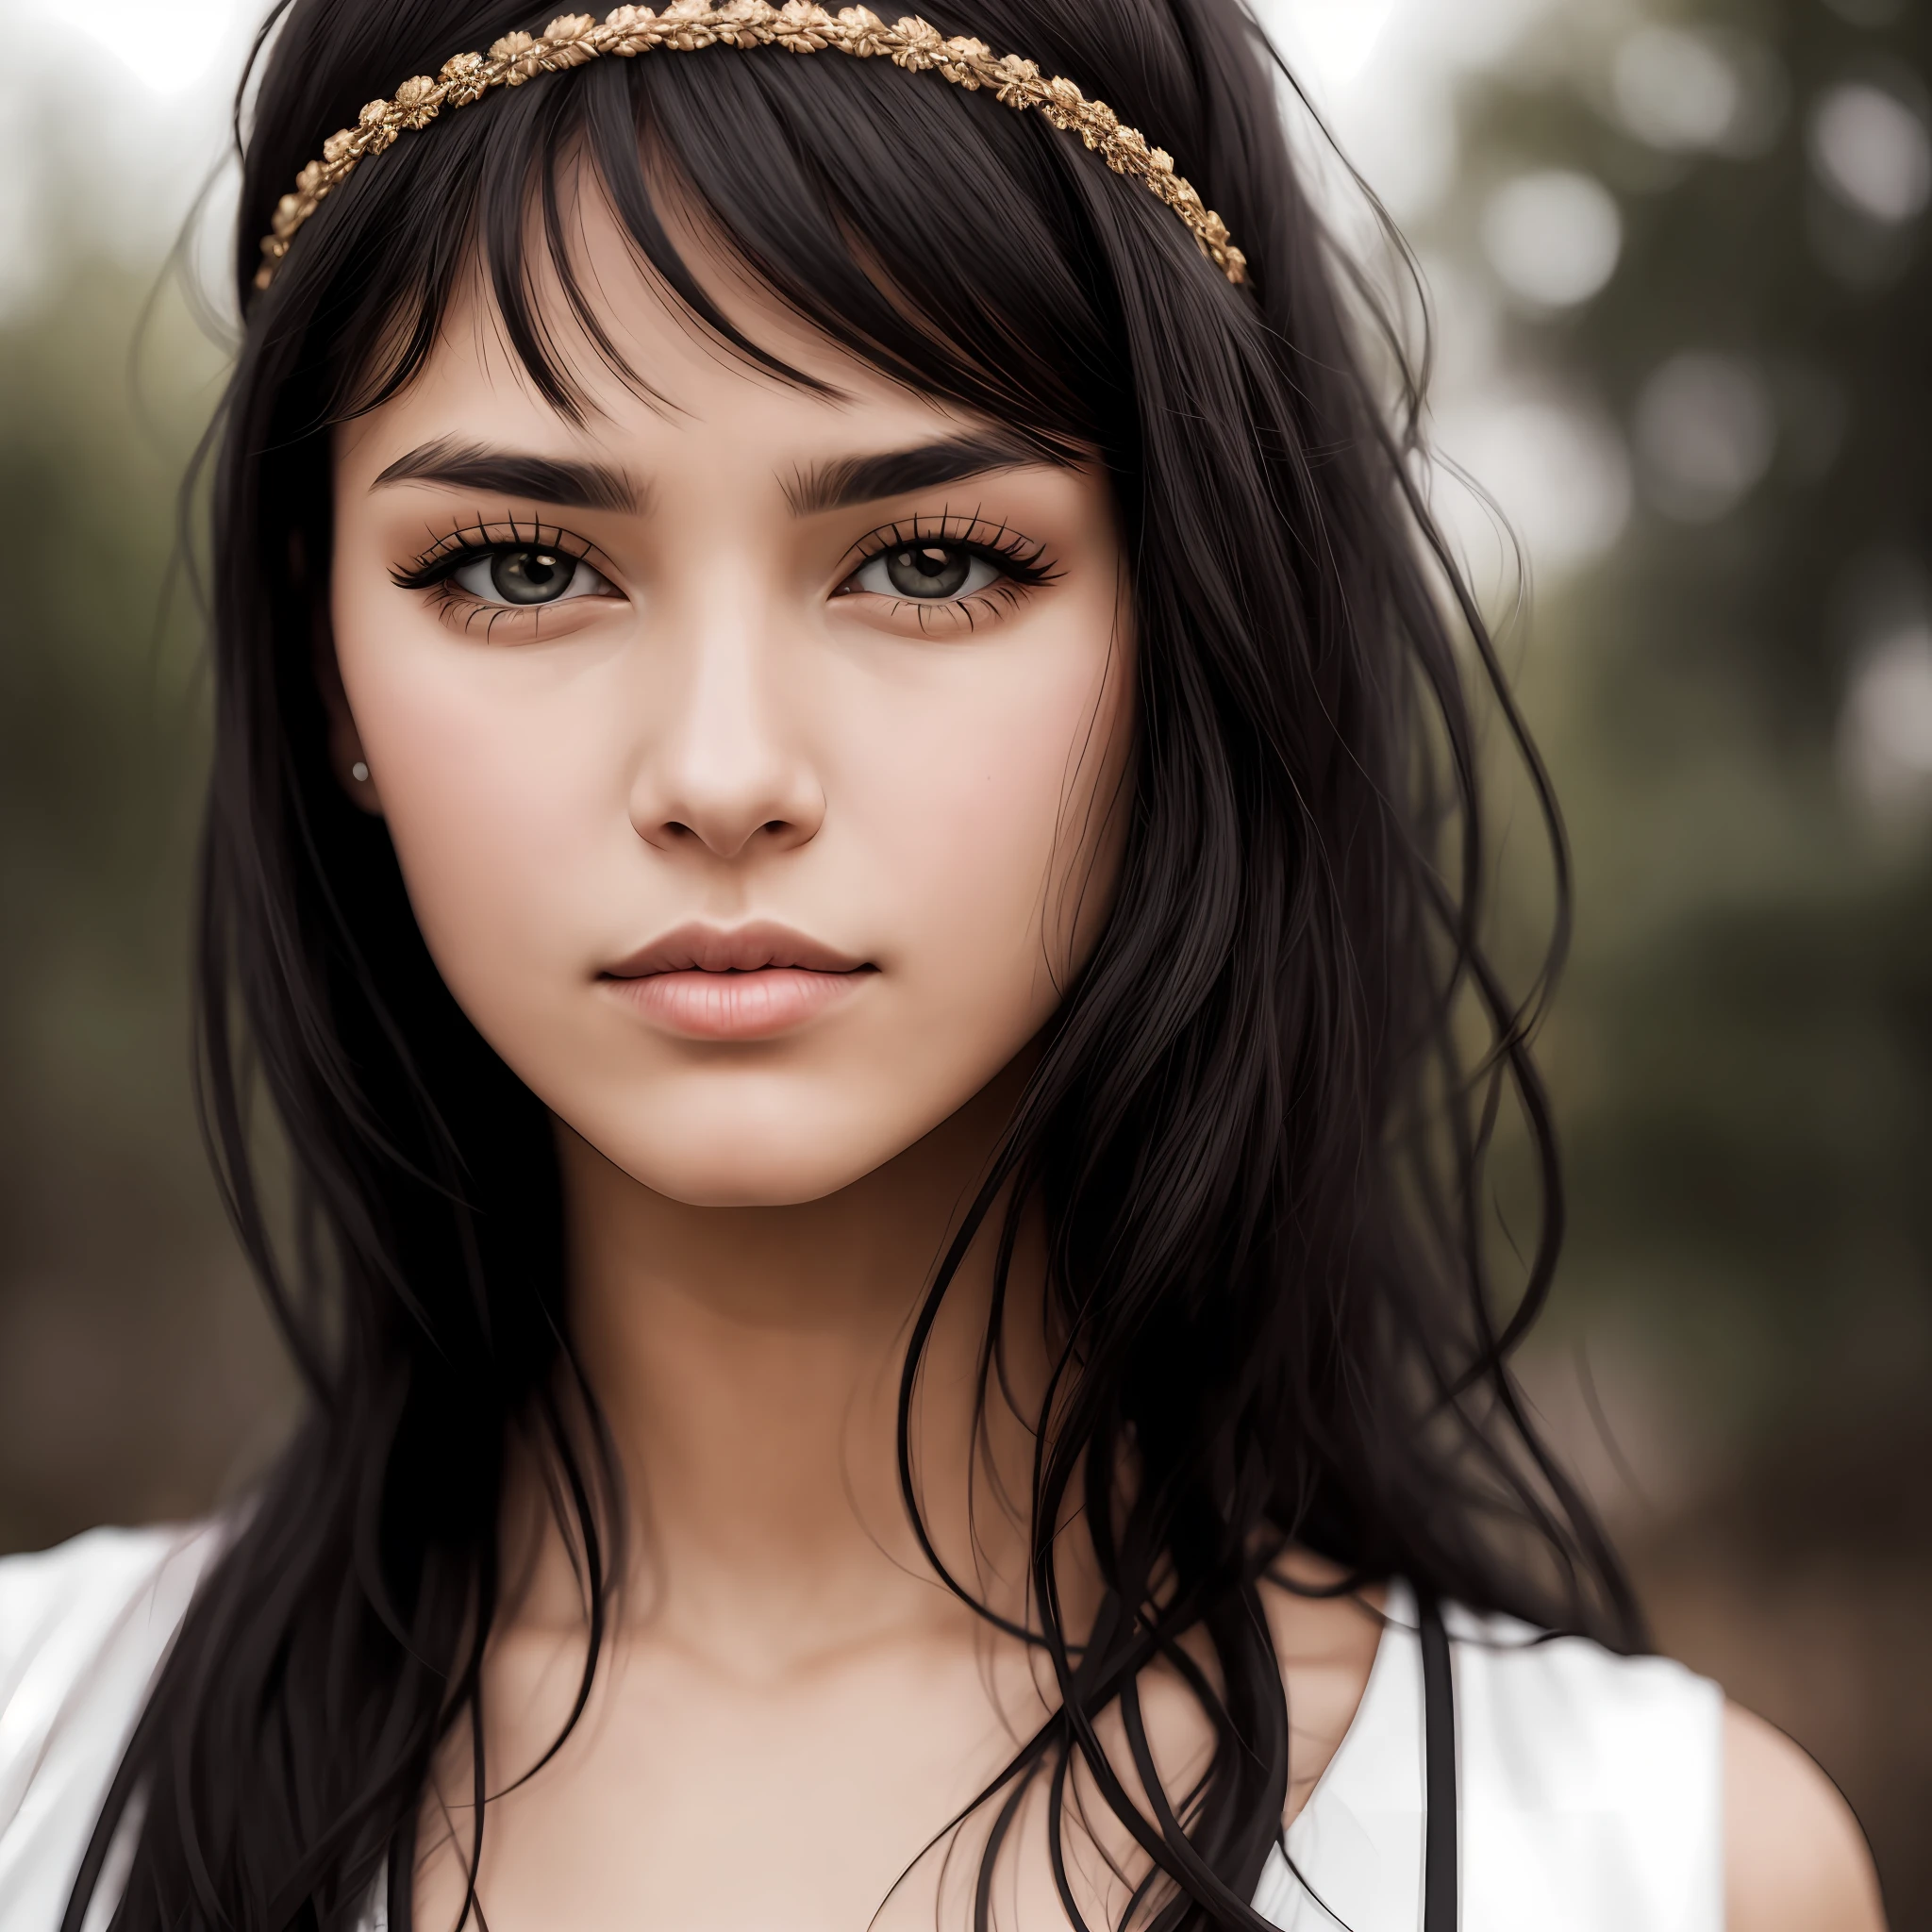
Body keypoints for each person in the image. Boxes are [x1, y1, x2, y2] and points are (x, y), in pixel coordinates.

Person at [0, 1, 1888, 1927]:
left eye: (924, 562)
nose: (722, 773)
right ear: (325, 669)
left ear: (1192, 623)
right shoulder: (30, 1766)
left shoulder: (1653, 1868)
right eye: (521, 565)